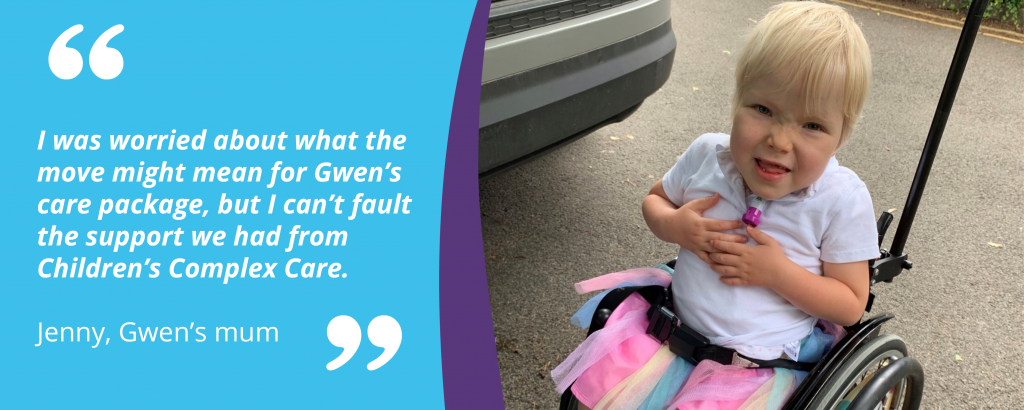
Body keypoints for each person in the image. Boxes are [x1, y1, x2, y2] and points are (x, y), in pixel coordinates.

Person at [551, 2, 880, 409]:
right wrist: (673, 225)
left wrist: (778, 274)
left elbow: (850, 305)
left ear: (841, 136)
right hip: (669, 338)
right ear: (737, 100)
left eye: (812, 126)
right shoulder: (708, 157)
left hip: (755, 372)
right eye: (763, 110)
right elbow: (656, 199)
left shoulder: (839, 200)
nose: (779, 140)